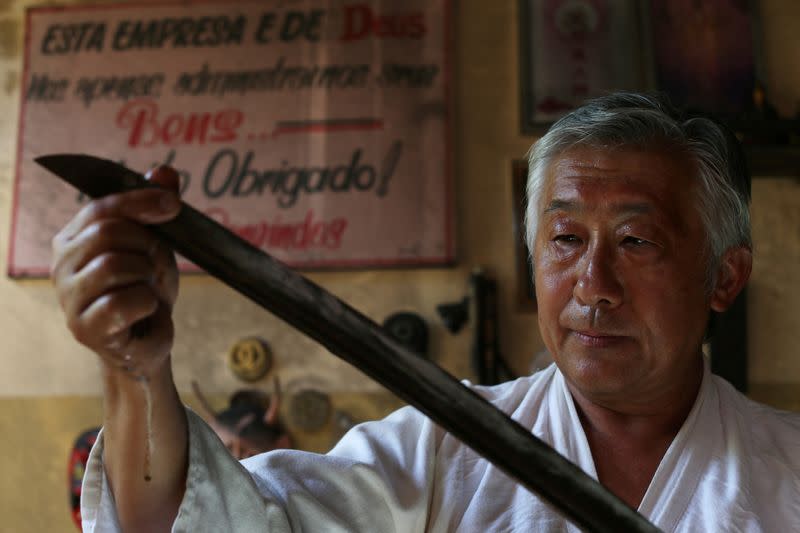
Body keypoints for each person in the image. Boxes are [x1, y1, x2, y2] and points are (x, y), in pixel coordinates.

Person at [53, 93, 800, 532]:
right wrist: (136, 369)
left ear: (724, 277)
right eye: (565, 238)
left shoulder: (788, 469)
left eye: (636, 241)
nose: (593, 283)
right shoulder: (437, 452)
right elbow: (206, 525)